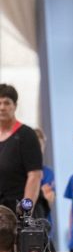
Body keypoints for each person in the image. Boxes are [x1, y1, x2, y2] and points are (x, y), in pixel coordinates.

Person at [0, 84, 42, 215]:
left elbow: (34, 176)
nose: (2, 107)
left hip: (18, 209)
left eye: (7, 103)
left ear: (15, 106)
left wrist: (25, 210)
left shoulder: (26, 134)